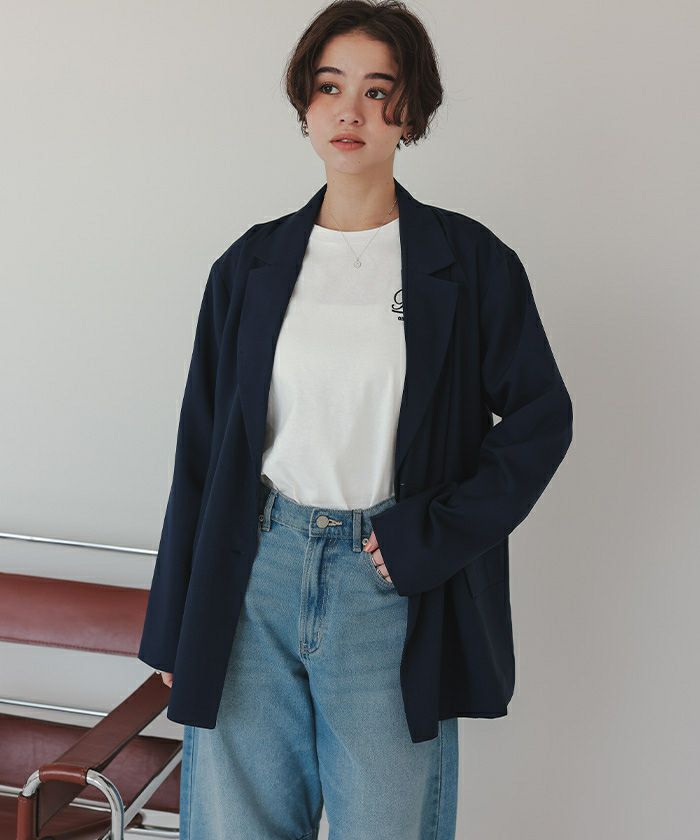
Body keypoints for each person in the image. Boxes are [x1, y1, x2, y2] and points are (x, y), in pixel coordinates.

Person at [140, 2, 573, 838]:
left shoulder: (470, 263)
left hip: (386, 586)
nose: (351, 111)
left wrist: (428, 535)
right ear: (304, 104)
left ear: (410, 112)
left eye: (378, 91)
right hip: (251, 578)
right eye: (331, 87)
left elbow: (541, 417)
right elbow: (201, 449)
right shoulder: (249, 265)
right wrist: (173, 627)